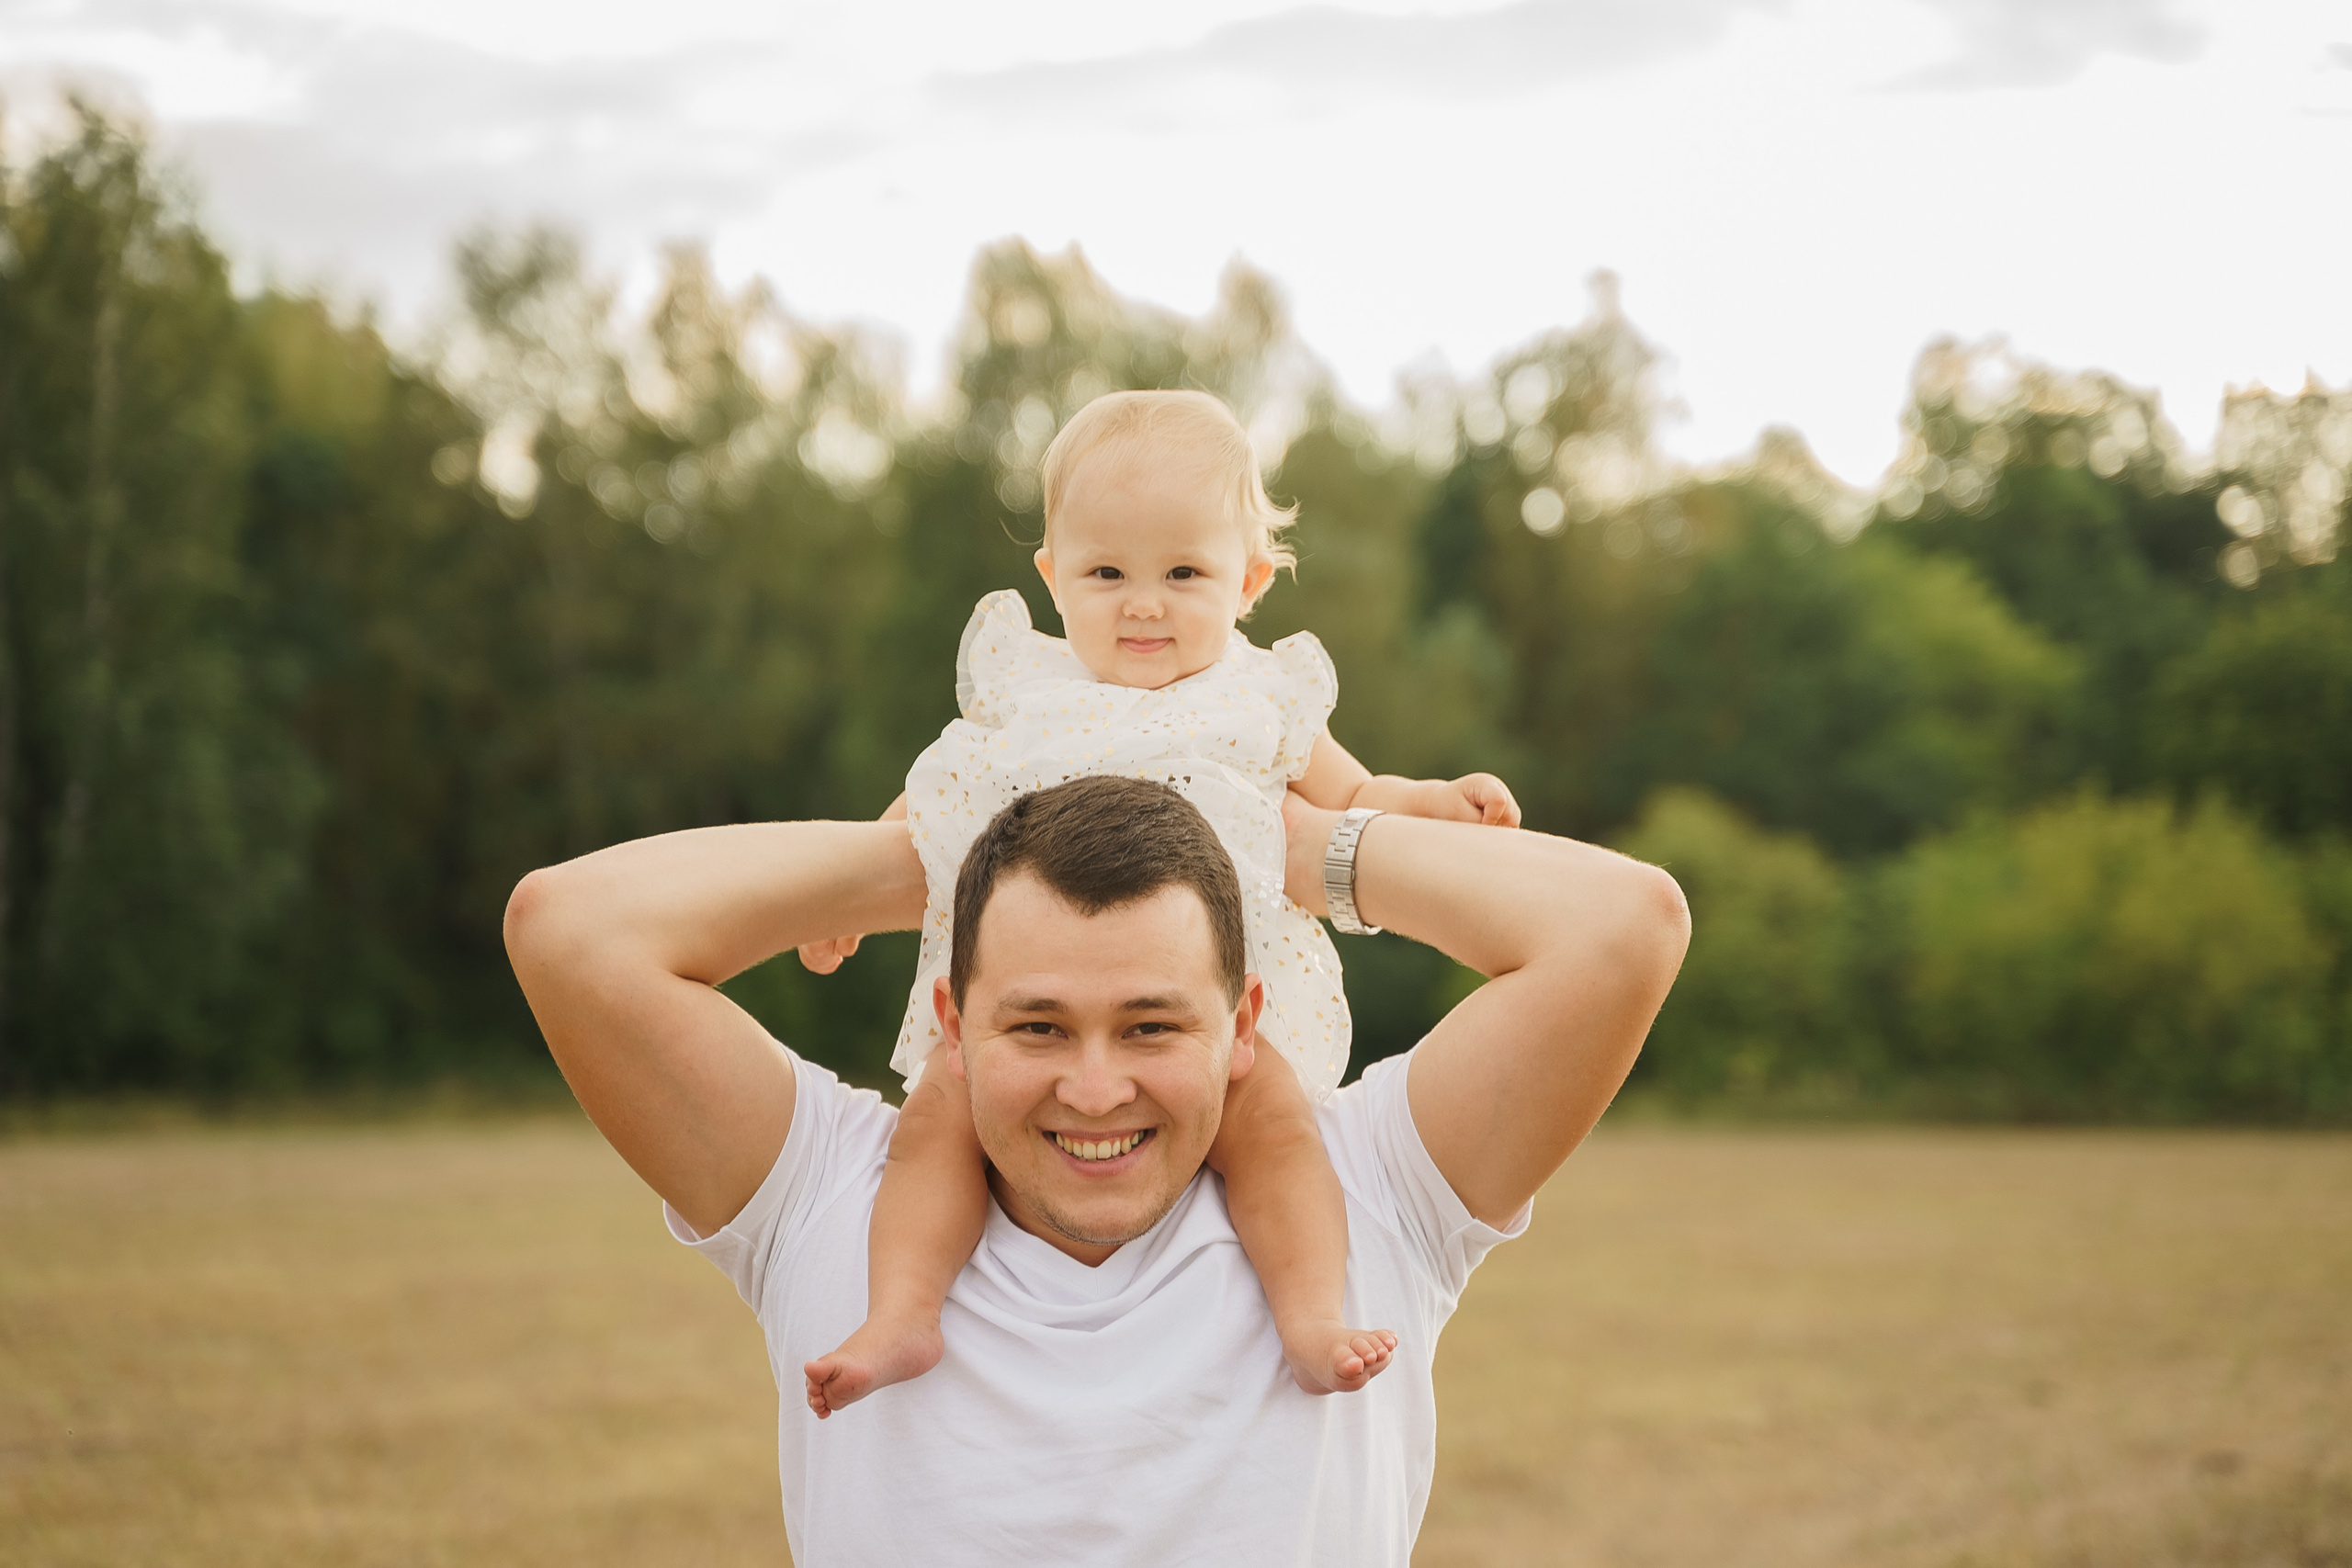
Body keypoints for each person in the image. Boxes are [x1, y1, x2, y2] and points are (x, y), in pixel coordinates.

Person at [503, 772, 1689, 1564]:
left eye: (1151, 1025)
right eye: (1036, 1026)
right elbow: (569, 929)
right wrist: (919, 856)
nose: (1094, 1089)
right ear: (952, 1025)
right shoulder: (833, 1201)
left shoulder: (1368, 1190)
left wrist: (1302, 841)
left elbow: (1626, 926)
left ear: (1244, 1026)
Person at [796, 389, 1522, 1416]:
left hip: (1210, 1004)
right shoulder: (1023, 691)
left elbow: (1355, 794)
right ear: (1052, 577)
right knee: (933, 1124)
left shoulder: (1258, 696)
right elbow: (930, 808)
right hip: (1030, 1005)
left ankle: (1311, 1314)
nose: (1143, 603)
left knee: (1273, 1128)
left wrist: (1433, 803)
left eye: (1183, 573)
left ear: (1249, 580)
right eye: (1106, 573)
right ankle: (903, 1311)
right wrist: (843, 901)